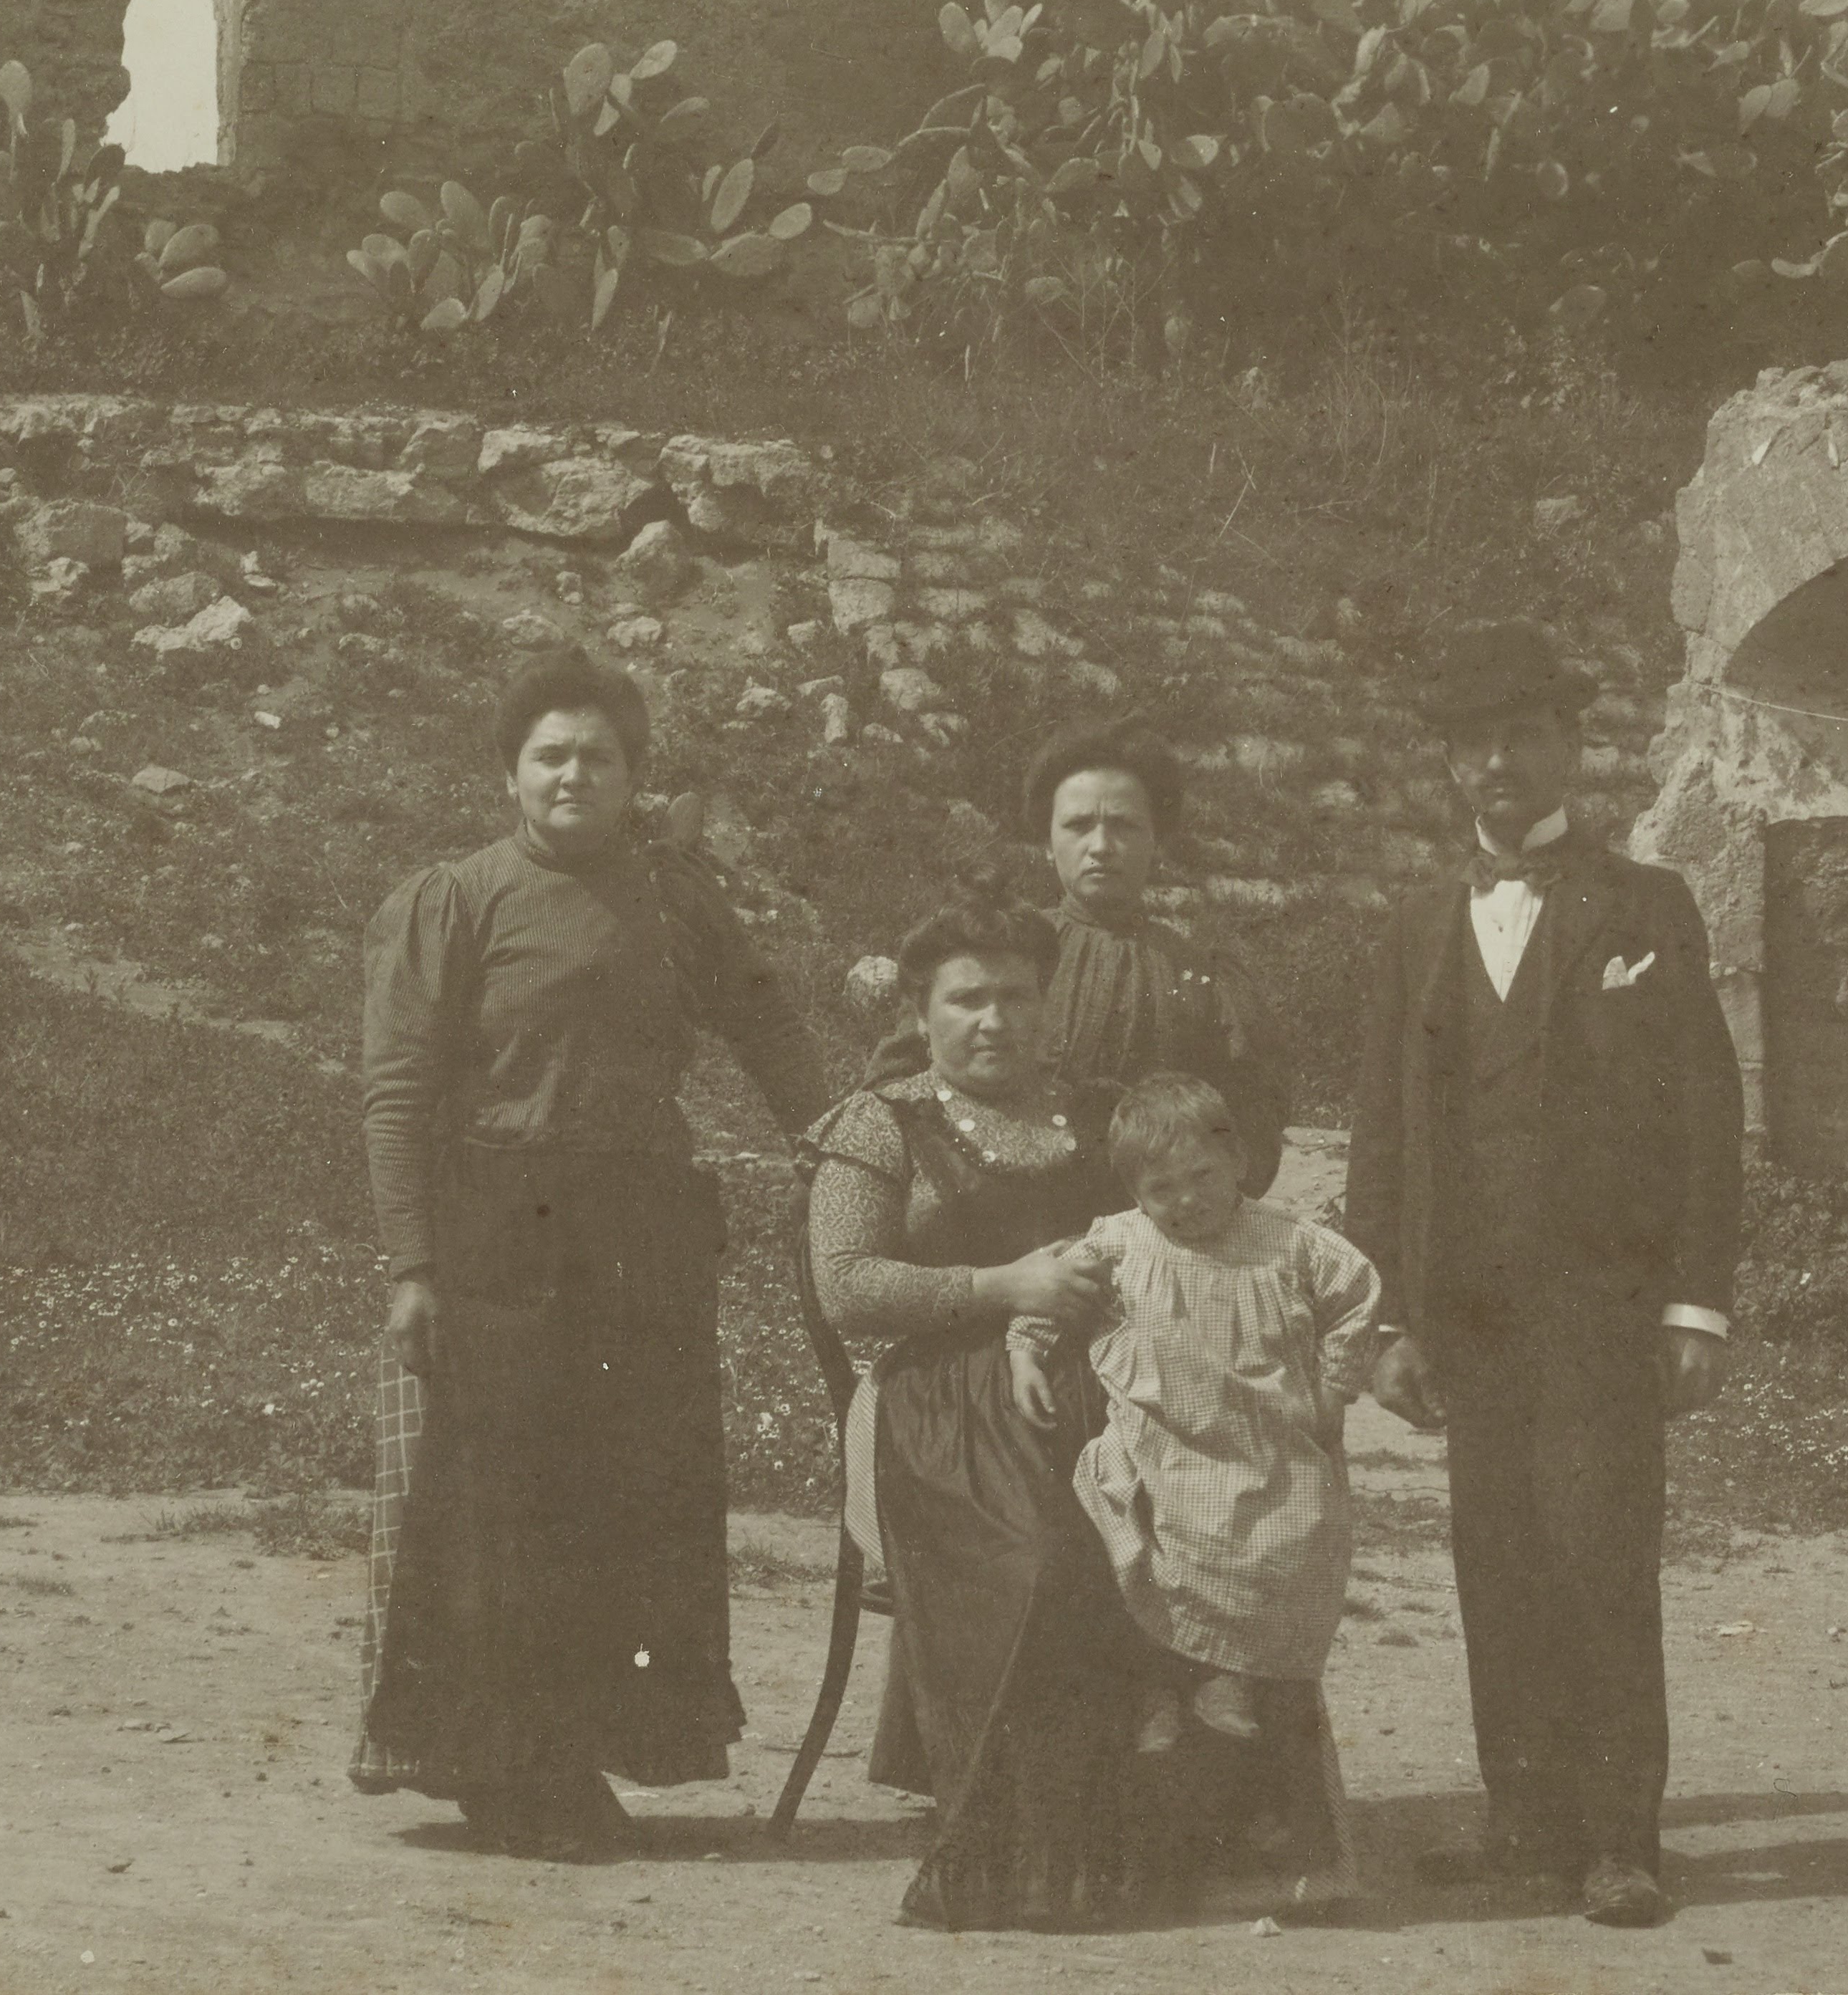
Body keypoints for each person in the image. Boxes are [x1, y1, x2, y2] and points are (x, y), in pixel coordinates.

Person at [350, 650, 827, 1857]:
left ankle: (576, 1753)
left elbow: (764, 1013)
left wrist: (830, 1135)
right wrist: (412, 1265)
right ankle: (512, 1769)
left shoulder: (675, 900)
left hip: (643, 1233)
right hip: (502, 1227)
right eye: (549, 753)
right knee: (510, 1507)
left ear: (634, 775)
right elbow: (397, 1094)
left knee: (632, 1497)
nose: (573, 772)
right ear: (509, 773)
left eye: (597, 754)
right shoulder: (454, 898)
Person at [1345, 620, 1744, 1932]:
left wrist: (1693, 1301)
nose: (1497, 763)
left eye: (1521, 735)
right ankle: (1522, 1824)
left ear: (1566, 746)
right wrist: (1385, 1314)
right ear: (1451, 766)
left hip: (1600, 1305)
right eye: (1472, 742)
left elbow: (1701, 1112)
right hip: (1469, 1312)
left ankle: (1619, 1839)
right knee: (1493, 1559)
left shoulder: (1644, 910)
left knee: (1597, 1560)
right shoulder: (1414, 927)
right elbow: (1383, 1134)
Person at [807, 886, 1183, 1931]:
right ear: (920, 1011)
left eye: (1015, 996)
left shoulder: (1095, 1115)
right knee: (1051, 1551)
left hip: (1098, 1381)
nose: (993, 1020)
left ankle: (1188, 1821)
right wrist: (1001, 1287)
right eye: (966, 998)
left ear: (1046, 1004)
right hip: (933, 1400)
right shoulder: (879, 1122)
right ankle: (1030, 1846)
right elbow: (847, 1285)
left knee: (1223, 1518)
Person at [1010, 1073, 1379, 1865]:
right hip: (1161, 1443)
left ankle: (1226, 1678)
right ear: (1133, 1192)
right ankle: (1168, 1683)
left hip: (1265, 1448)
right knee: (1141, 1533)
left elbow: (1358, 1298)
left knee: (1291, 1534)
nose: (1183, 1203)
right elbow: (1054, 1298)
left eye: (1201, 1178)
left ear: (1238, 1160)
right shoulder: (1117, 1242)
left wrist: (1333, 1384)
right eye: (1160, 1189)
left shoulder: (1290, 1242)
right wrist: (1025, 1354)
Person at [865, 730, 1287, 1196]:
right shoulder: (990, 948)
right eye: (1078, 825)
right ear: (1047, 842)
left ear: (1157, 840)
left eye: (1124, 825)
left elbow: (1251, 1132)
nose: (1101, 845)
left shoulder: (1202, 976)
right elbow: (893, 1092)